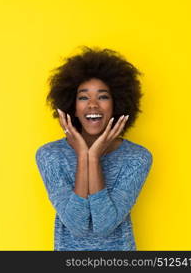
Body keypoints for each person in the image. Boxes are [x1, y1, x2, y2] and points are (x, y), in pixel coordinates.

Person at [35, 46, 153, 251]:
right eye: (83, 97)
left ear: (117, 103)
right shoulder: (50, 156)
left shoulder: (137, 158)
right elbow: (77, 226)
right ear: (72, 105)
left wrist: (94, 158)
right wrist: (83, 156)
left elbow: (104, 226)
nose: (92, 105)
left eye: (103, 96)